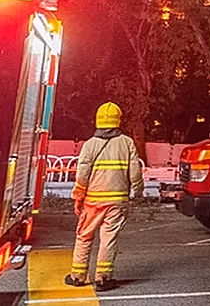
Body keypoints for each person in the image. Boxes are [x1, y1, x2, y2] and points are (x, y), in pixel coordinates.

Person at [67, 102, 144, 291]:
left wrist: (78, 197)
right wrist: (138, 191)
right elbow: (135, 171)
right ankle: (103, 278)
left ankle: (77, 275)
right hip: (117, 201)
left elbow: (82, 175)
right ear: (118, 121)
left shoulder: (90, 145)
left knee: (84, 236)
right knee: (109, 238)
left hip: (93, 201)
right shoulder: (127, 143)